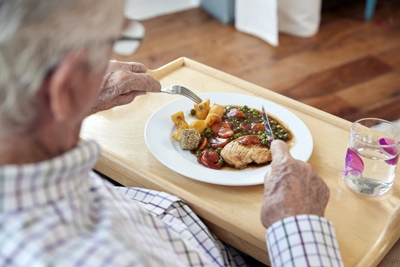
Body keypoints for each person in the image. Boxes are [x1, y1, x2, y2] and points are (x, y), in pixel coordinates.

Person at [0, 0, 343, 266]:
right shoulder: (105, 255)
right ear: (66, 85)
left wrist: (73, 102)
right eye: (114, 39)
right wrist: (299, 225)